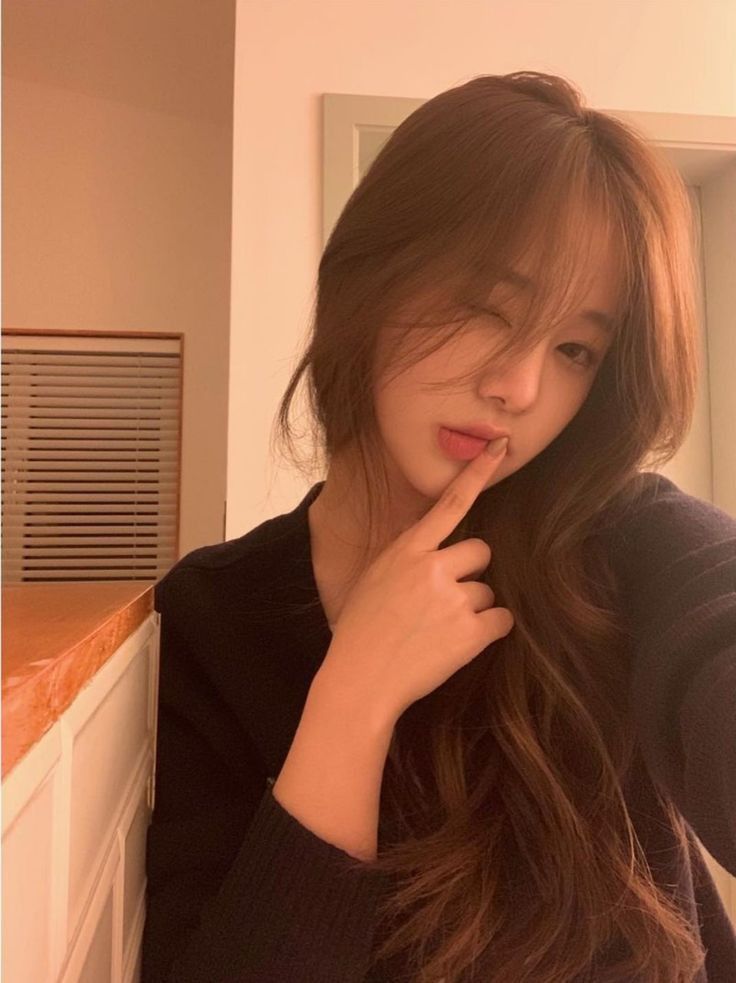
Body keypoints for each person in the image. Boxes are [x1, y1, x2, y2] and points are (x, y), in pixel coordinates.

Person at [141, 71, 736, 982]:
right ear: (369, 275)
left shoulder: (625, 542)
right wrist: (353, 698)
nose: (520, 387)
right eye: (489, 308)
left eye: (575, 348)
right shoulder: (212, 618)